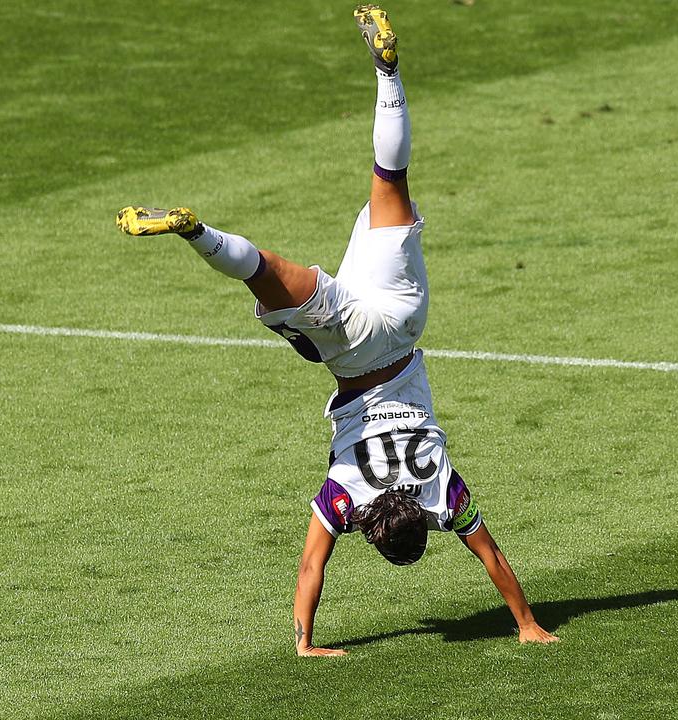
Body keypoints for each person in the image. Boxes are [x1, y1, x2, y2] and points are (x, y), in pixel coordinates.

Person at [116, 5, 557, 657]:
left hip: (403, 319)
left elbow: (489, 556)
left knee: (391, 179)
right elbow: (309, 568)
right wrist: (304, 643)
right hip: (352, 348)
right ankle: (195, 232)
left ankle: (388, 67)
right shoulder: (346, 491)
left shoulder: (440, 484)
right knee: (263, 272)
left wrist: (525, 621)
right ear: (376, 530)